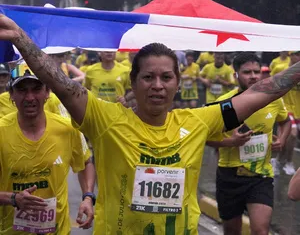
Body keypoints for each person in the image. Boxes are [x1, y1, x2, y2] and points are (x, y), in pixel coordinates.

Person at [1, 15, 300, 234]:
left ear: (177, 84)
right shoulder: (105, 120)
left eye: (166, 77)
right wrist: (20, 38)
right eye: (148, 77)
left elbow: (263, 91)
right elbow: (61, 83)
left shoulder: (198, 121)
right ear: (134, 82)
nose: (157, 85)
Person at [0, 71, 95, 234]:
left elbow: (86, 163)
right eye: (22, 90)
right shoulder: (1, 131)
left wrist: (87, 197)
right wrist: (13, 199)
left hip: (58, 230)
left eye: (36, 89)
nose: (30, 98)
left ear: (47, 93)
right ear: (11, 96)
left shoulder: (67, 129)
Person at [206, 52, 291, 235]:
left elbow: (285, 122)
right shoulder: (224, 103)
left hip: (261, 175)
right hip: (230, 176)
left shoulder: (273, 99)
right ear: (236, 73)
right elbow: (207, 138)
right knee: (232, 231)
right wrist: (231, 142)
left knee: (260, 230)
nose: (253, 76)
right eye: (246, 72)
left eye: (256, 71)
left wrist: (282, 139)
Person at [271, 51, 300, 176]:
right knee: (292, 134)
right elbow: (271, 84)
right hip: (284, 107)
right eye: (295, 54)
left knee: (290, 138)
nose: (297, 57)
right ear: (290, 55)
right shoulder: (279, 68)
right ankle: (284, 162)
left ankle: (281, 161)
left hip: (298, 108)